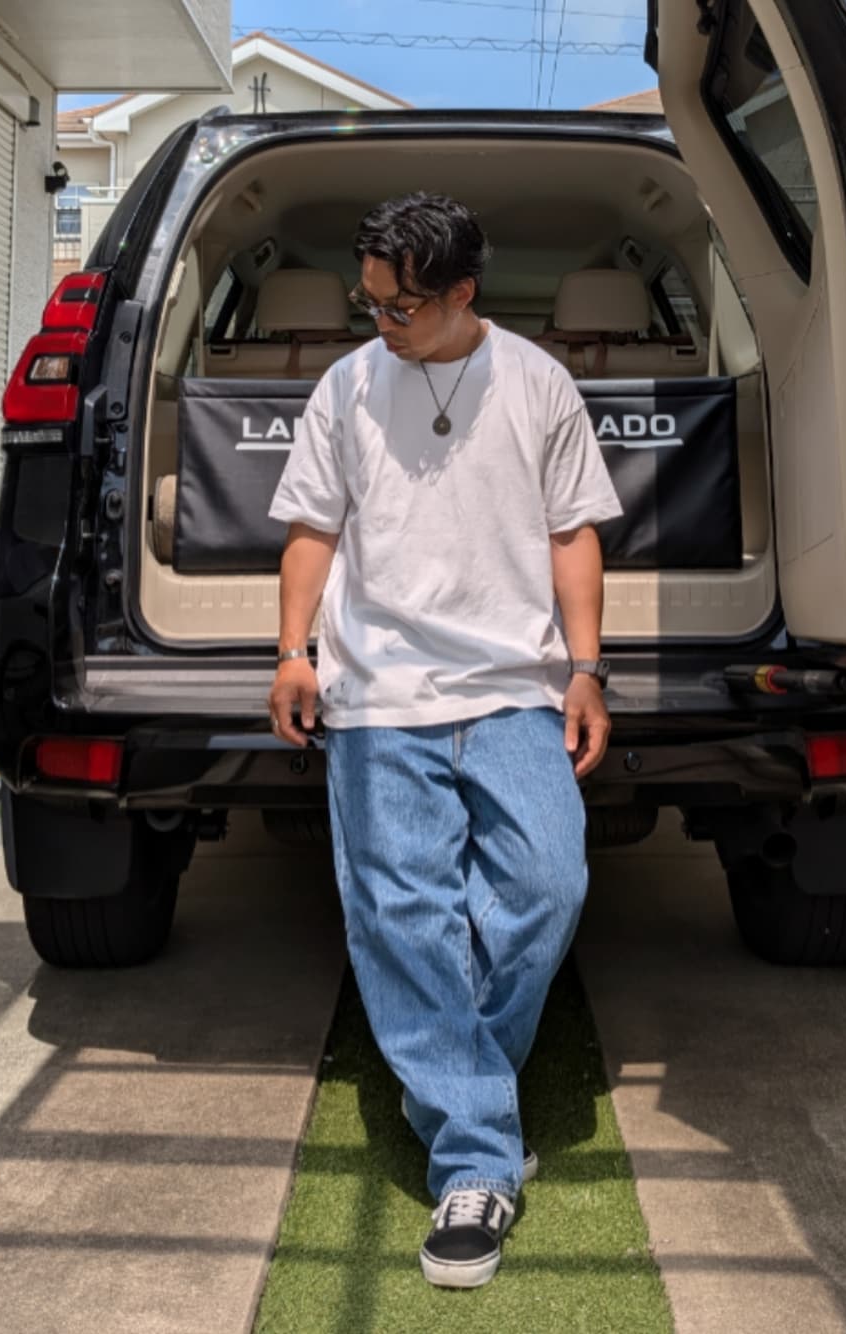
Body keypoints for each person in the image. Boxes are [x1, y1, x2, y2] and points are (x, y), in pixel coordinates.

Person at [267, 192, 623, 1288]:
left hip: (513, 686)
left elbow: (572, 533)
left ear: (463, 293)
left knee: (549, 884)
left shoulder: (537, 382)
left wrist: (585, 667)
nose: (379, 322)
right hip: (378, 692)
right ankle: (474, 1159)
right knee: (403, 917)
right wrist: (292, 652)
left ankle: (468, 1084)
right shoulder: (344, 386)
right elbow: (312, 528)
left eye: (401, 307)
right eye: (367, 301)